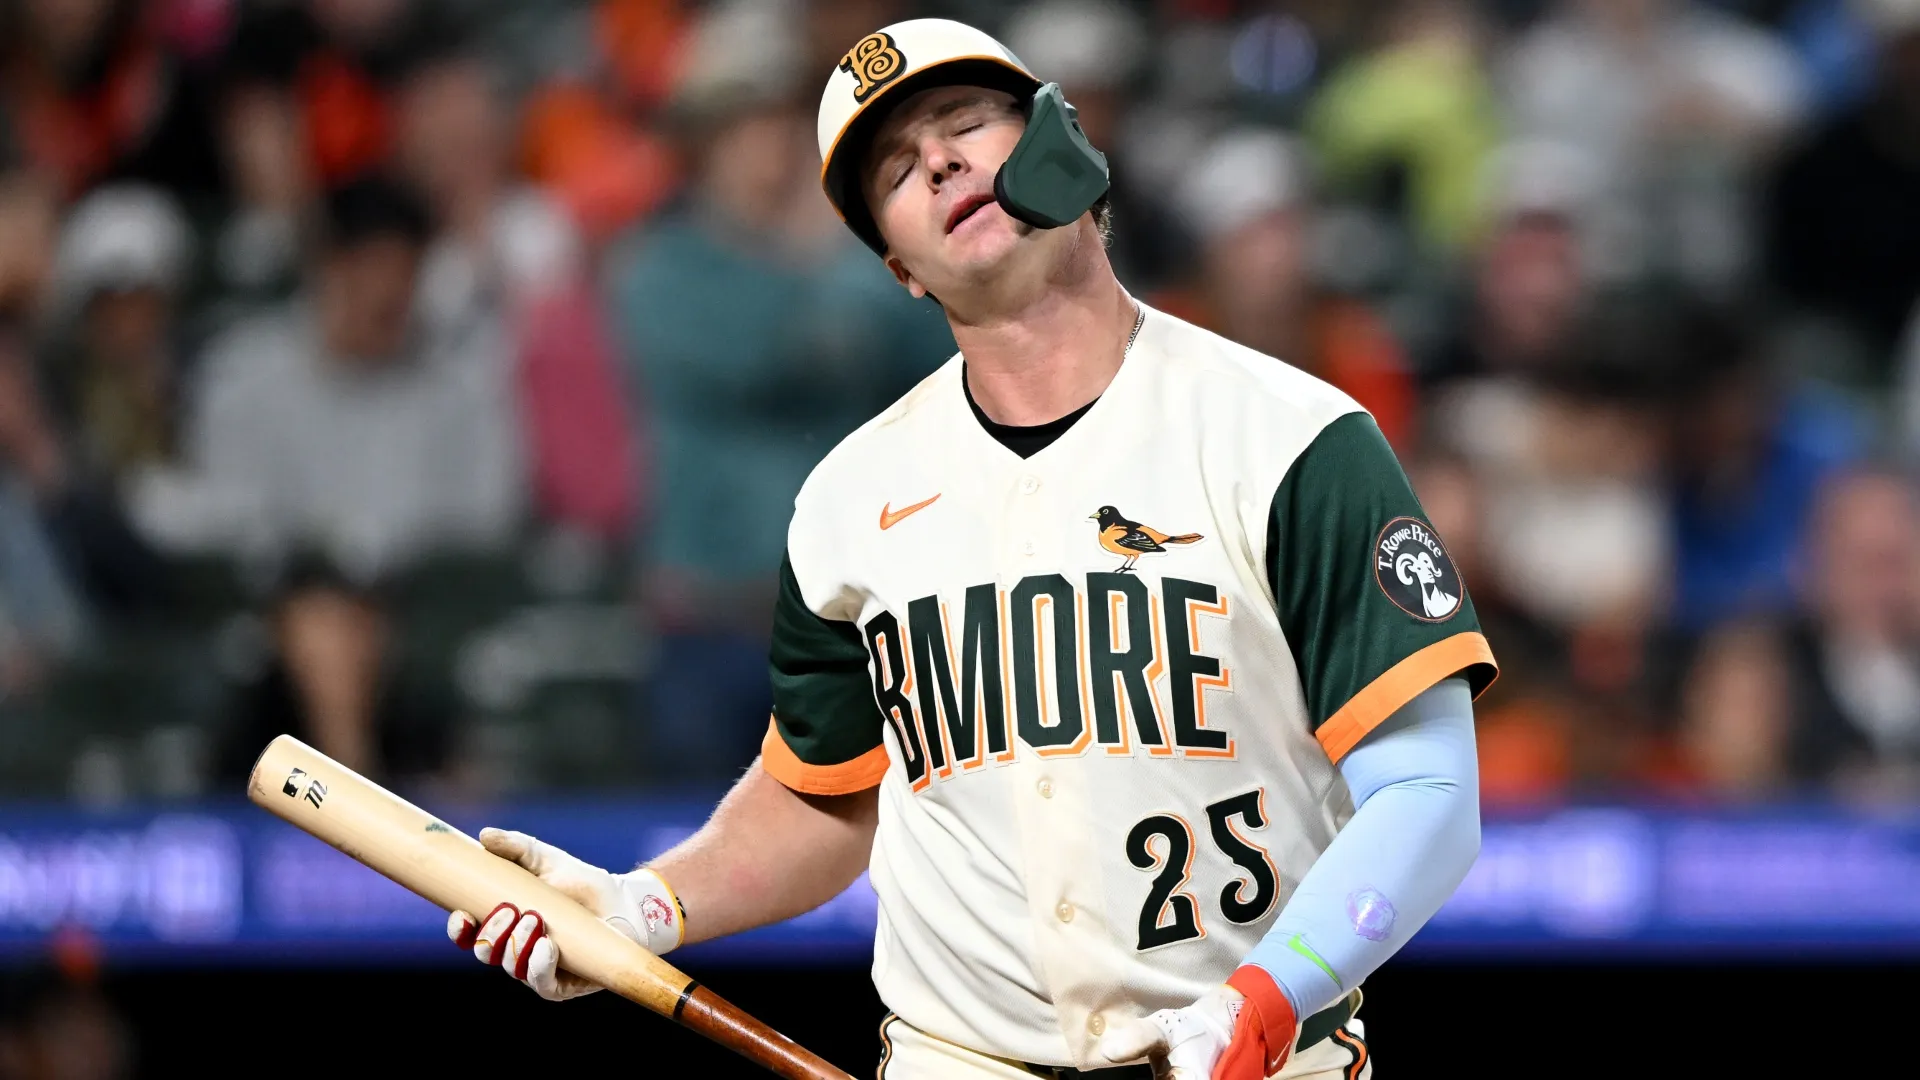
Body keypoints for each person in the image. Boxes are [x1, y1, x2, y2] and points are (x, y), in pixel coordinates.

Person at [450, 18, 1497, 1080]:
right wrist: (648, 902)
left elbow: (1428, 796)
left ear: (1063, 139)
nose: (939, 162)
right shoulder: (849, 501)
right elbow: (825, 790)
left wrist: (1271, 998)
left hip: (1257, 1058)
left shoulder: (1291, 438)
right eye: (897, 170)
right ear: (898, 264)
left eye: (962, 124)